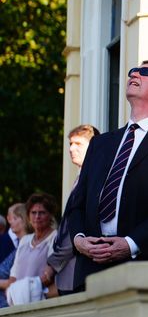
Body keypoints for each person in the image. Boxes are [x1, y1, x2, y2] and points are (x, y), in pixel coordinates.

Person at [67, 62, 148, 291]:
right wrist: (79, 241)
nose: (134, 74)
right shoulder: (100, 144)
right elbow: (77, 204)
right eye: (132, 72)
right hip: (91, 267)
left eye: (146, 72)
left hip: (142, 265)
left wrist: (130, 243)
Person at [42, 124, 100, 295]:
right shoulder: (80, 178)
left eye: (78, 144)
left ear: (93, 146)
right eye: (70, 144)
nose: (71, 148)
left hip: (78, 270)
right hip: (69, 272)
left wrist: (53, 264)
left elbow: (74, 230)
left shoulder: (93, 180)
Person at [6, 193, 60, 300]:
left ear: (50, 215)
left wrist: (27, 290)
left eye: (42, 213)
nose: (37, 217)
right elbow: (13, 276)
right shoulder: (24, 240)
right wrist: (13, 293)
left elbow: (48, 276)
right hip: (18, 301)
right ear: (28, 216)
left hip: (40, 301)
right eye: (33, 213)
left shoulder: (56, 238)